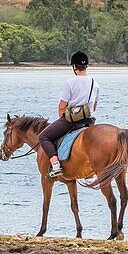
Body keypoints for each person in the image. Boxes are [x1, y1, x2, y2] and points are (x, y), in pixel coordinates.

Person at [38, 51, 98, 179]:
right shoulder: (95, 83)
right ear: (86, 66)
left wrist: (62, 119)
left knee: (43, 136)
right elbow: (94, 106)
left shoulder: (70, 83)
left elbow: (62, 106)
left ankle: (55, 166)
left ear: (74, 67)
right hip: (89, 120)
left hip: (72, 120)